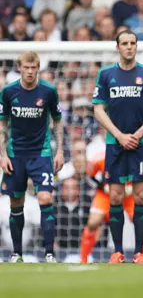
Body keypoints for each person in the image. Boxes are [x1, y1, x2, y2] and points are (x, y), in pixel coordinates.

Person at [92, 30, 143, 264]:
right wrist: (119, 135)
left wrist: (139, 133)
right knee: (115, 196)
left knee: (141, 196)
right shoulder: (106, 74)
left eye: (133, 43)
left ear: (136, 46)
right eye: (124, 43)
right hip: (115, 144)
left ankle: (140, 253)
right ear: (118, 47)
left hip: (141, 143)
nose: (129, 47)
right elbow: (98, 109)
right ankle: (118, 251)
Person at [0, 51, 64, 263]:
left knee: (45, 198)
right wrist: (2, 155)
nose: (29, 71)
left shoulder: (48, 91)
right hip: (15, 154)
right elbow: (2, 124)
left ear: (38, 68)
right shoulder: (8, 92)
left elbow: (57, 120)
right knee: (16, 203)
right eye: (26, 67)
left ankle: (49, 253)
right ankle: (17, 253)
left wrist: (60, 151)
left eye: (33, 67)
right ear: (19, 67)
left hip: (41, 154)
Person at [80, 150, 143, 264]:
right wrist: (102, 187)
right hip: (106, 195)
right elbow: (88, 176)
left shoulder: (137, 157)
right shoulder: (100, 158)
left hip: (130, 195)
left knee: (140, 223)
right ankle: (83, 259)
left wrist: (133, 188)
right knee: (93, 223)